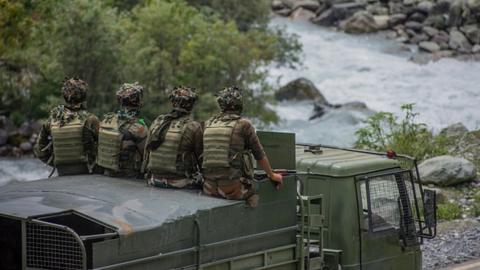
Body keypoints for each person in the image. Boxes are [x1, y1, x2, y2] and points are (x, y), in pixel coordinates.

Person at [202, 86, 283, 207]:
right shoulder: (244, 125)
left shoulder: (208, 124)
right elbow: (259, 155)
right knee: (258, 190)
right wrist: (272, 175)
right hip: (232, 189)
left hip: (208, 188)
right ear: (239, 104)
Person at [34, 77, 99, 176]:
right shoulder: (91, 119)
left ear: (64, 96)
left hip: (61, 171)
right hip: (87, 172)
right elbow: (104, 148)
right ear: (84, 96)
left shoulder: (53, 120)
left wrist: (55, 162)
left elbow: (39, 150)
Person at [144, 86, 203, 188]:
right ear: (191, 105)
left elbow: (146, 154)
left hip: (154, 180)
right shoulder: (193, 127)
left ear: (173, 103)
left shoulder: (157, 122)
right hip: (180, 182)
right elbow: (202, 159)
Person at [97, 82, 148, 178]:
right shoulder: (138, 127)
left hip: (106, 175)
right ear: (138, 102)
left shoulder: (107, 120)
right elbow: (147, 156)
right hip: (129, 177)